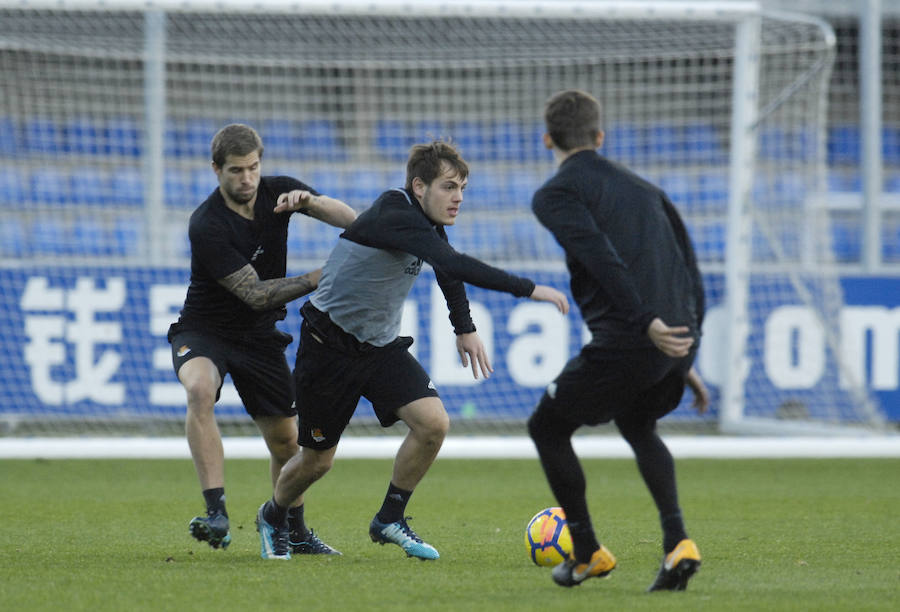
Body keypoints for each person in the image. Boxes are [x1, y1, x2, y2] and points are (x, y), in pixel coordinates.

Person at [253, 140, 570, 560]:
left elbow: (445, 264)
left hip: (379, 347)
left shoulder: (426, 224)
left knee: (433, 424)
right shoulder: (394, 212)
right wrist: (529, 289)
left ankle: (389, 518)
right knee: (316, 462)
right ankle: (274, 518)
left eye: (463, 188)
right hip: (328, 346)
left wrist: (465, 328)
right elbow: (454, 264)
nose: (458, 197)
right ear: (419, 186)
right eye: (449, 187)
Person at [525, 90, 710, 591]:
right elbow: (691, 271)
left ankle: (586, 552)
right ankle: (678, 544)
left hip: (633, 337)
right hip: (674, 338)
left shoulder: (554, 195)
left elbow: (600, 256)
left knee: (546, 426)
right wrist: (687, 351)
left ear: (548, 139)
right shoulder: (649, 190)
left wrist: (646, 323)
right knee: (638, 422)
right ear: (600, 137)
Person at [167, 123, 357, 554]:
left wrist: (312, 201)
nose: (247, 179)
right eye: (236, 170)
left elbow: (353, 222)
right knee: (199, 388)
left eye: (253, 167)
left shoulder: (279, 192)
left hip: (259, 337)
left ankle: (294, 530)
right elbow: (254, 294)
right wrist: (318, 277)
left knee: (288, 443)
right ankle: (216, 510)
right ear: (216, 169)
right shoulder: (206, 224)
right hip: (205, 330)